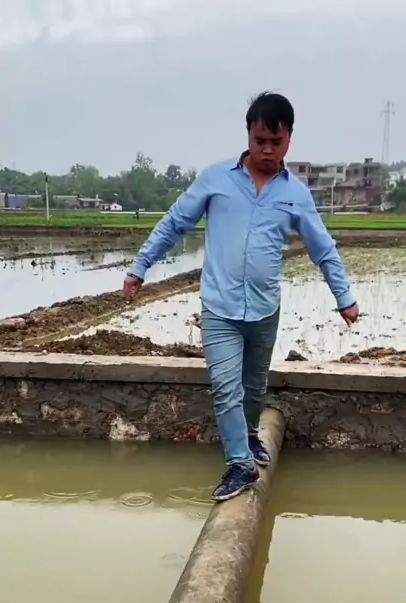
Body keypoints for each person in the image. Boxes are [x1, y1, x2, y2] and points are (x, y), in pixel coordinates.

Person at [124, 92, 359, 501]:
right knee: (225, 387)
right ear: (248, 136)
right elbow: (175, 223)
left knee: (253, 389)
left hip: (265, 308)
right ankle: (239, 465)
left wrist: (345, 297)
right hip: (219, 306)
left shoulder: (295, 194)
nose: (267, 150)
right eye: (259, 141)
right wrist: (139, 266)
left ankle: (249, 437)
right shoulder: (216, 180)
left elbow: (322, 248)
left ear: (289, 140)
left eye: (275, 142)